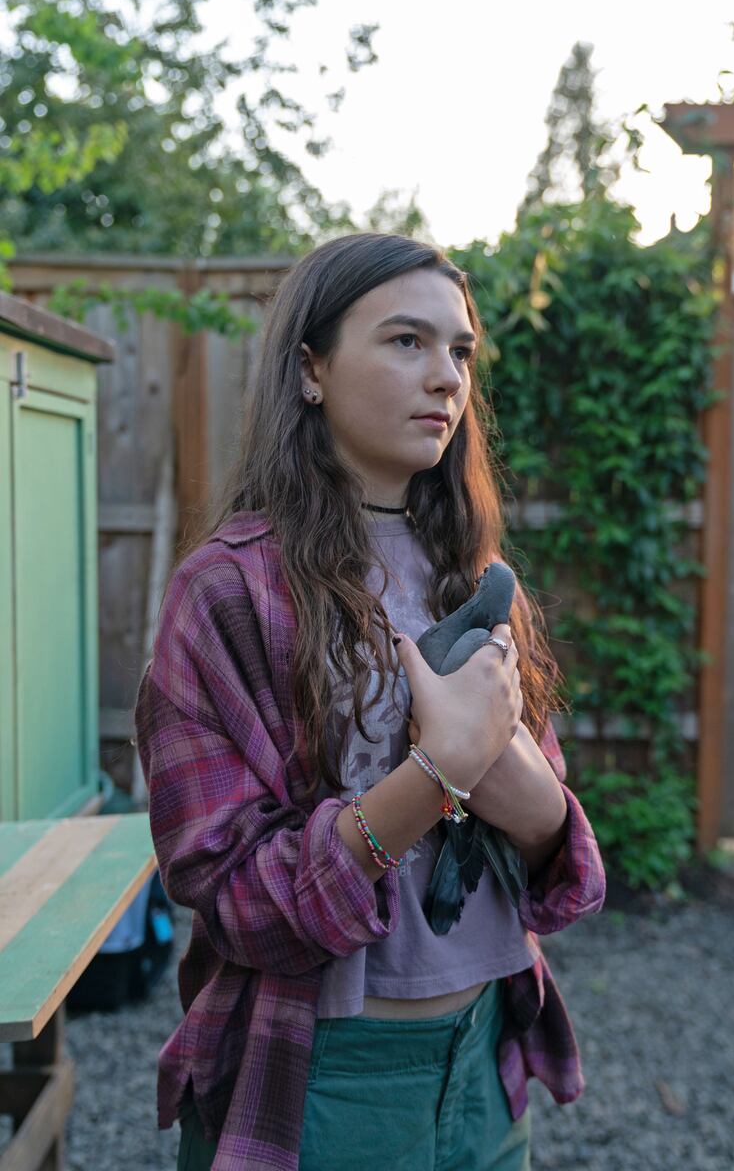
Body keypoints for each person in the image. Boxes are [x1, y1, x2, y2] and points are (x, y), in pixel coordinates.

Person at [134, 232, 606, 1171]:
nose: (446, 377)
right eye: (405, 341)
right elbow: (231, 896)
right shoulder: (229, 591)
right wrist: (438, 773)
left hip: (486, 1056)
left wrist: (529, 799)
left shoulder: (473, 574)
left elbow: (550, 842)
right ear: (310, 369)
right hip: (322, 1080)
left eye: (460, 350)